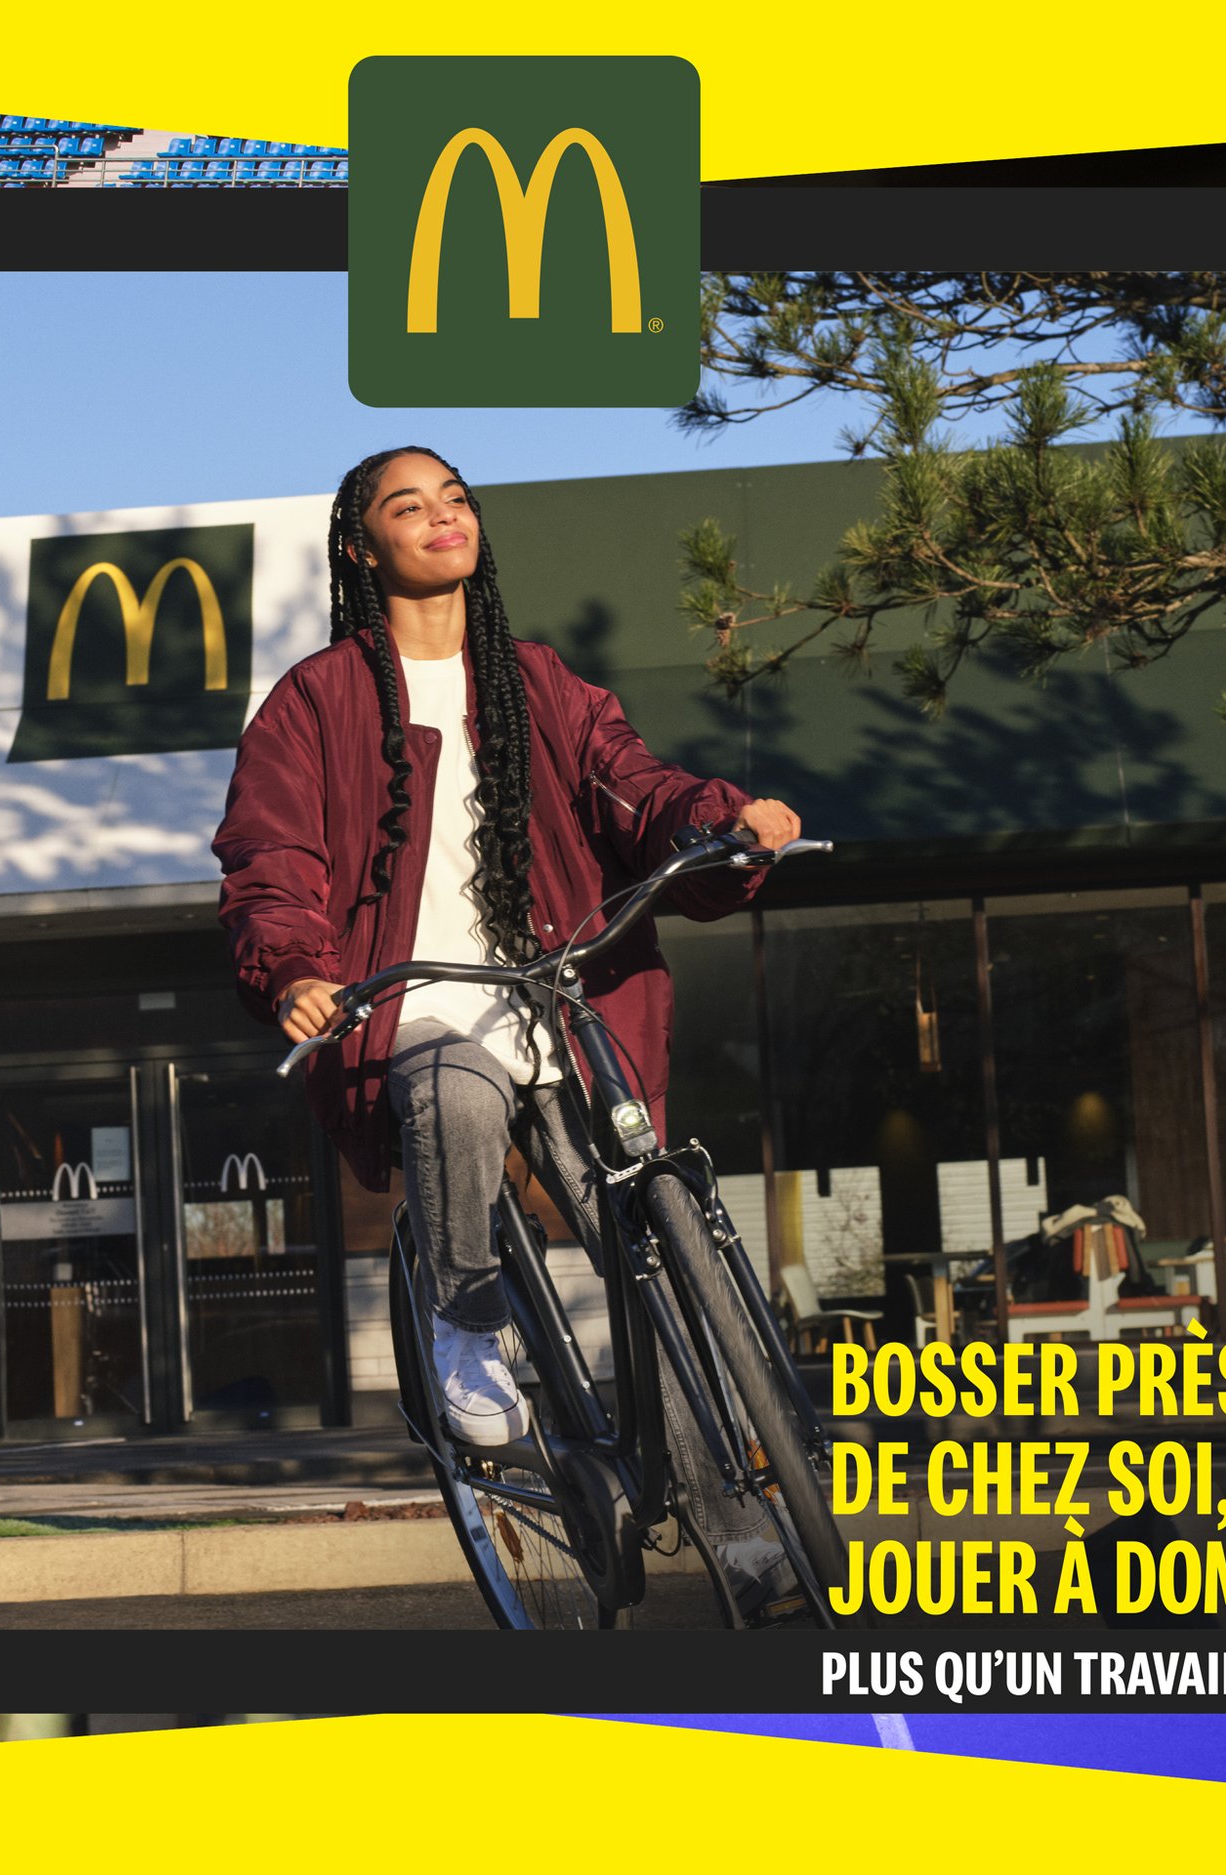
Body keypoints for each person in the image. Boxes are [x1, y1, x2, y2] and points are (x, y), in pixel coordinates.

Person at [212, 445, 804, 1621]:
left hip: (561, 998)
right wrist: (294, 970)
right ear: (360, 546)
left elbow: (635, 787)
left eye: (455, 499)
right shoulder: (315, 700)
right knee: (453, 1089)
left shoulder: (536, 681)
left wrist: (722, 822)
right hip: (417, 1003)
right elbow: (270, 859)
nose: (443, 517)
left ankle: (743, 1539)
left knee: (649, 1258)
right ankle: (465, 1314)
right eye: (409, 506)